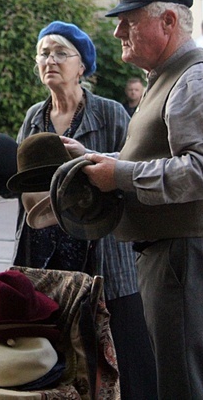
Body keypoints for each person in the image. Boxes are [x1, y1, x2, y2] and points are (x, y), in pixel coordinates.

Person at [12, 21, 157, 399]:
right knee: (57, 351)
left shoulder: (109, 113)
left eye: (61, 53)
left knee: (125, 352)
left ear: (83, 65)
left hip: (104, 248)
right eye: (43, 53)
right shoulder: (34, 117)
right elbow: (23, 182)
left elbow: (131, 169)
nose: (50, 60)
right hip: (46, 247)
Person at [75, 0, 203, 398]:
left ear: (168, 21)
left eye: (128, 22)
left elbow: (199, 169)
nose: (117, 33)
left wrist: (121, 176)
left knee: (181, 382)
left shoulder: (190, 79)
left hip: (180, 257)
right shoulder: (168, 77)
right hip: (171, 256)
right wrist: (114, 164)